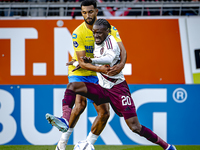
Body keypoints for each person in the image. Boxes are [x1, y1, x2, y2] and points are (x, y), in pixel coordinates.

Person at [46, 18, 177, 150]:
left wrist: (89, 61)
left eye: (99, 33)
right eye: (94, 32)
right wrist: (77, 63)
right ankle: (64, 119)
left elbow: (107, 59)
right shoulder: (98, 42)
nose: (96, 35)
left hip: (118, 89)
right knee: (72, 86)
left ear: (107, 32)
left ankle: (167, 147)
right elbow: (94, 60)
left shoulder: (112, 44)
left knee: (135, 127)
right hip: (102, 88)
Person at [46, 0, 127, 150]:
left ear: (96, 11)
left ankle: (87, 144)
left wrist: (121, 65)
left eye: (90, 11)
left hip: (98, 73)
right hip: (81, 71)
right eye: (84, 12)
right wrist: (101, 69)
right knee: (80, 104)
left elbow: (123, 50)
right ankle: (62, 143)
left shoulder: (109, 28)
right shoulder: (78, 32)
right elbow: (82, 63)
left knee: (104, 113)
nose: (87, 15)